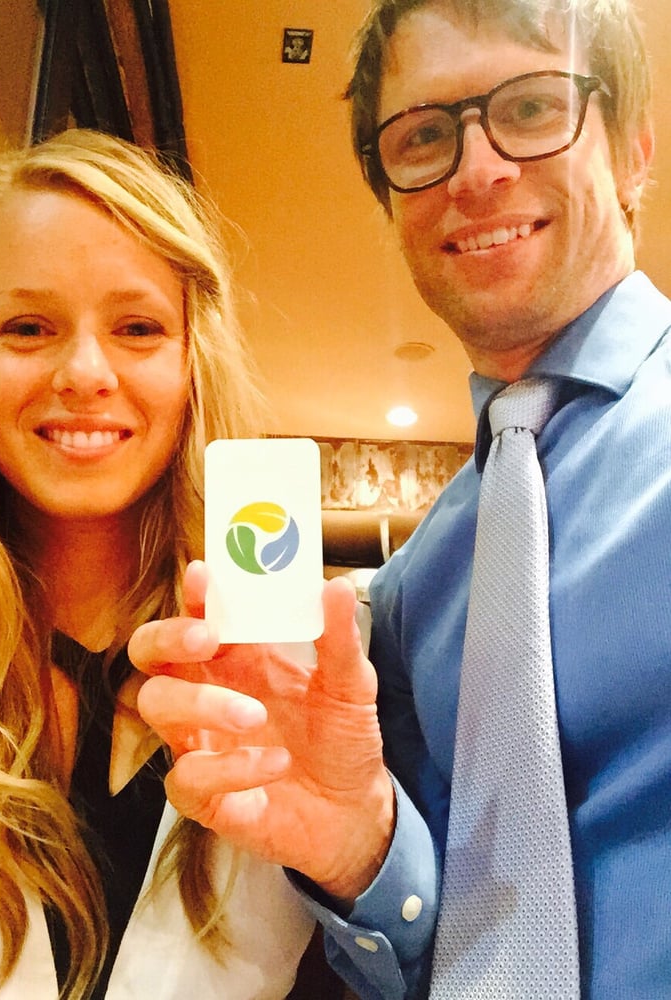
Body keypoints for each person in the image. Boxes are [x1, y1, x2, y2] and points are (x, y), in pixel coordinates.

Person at [129, 0, 671, 997]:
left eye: (532, 107)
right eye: (424, 135)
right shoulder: (417, 586)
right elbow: (439, 950)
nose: (476, 170)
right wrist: (363, 852)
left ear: (635, 148)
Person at [0, 127, 326, 999]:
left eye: (138, 328)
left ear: (191, 361)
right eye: (27, 327)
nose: (85, 372)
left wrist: (365, 852)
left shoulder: (305, 661)